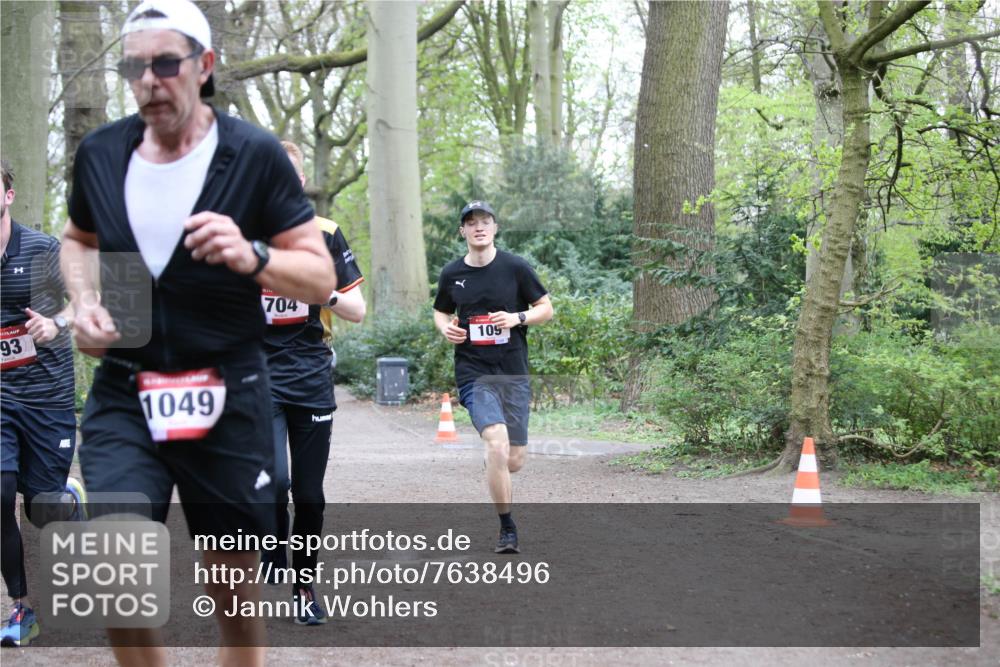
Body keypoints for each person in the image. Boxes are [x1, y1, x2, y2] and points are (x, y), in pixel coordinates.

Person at [58, 2, 336, 665]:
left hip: (227, 395)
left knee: (234, 604)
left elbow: (322, 277)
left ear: (204, 66)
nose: (149, 79)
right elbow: (76, 240)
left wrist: (254, 256)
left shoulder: (255, 155)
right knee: (118, 578)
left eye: (165, 63)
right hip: (127, 391)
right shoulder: (101, 152)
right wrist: (84, 300)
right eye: (134, 66)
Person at [260, 140, 365, 625]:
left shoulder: (325, 234)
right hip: (256, 376)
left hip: (309, 375)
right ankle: (271, 544)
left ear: (298, 183)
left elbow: (358, 311)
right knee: (273, 482)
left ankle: (304, 585)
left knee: (309, 494)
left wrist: (319, 291)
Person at [432, 201, 553, 554]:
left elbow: (546, 308)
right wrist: (446, 330)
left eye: (485, 222)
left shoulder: (515, 267)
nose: (478, 228)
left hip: (512, 371)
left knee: (513, 459)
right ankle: (507, 528)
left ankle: (495, 461)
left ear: (495, 227)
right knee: (497, 442)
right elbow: (441, 312)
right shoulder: (452, 274)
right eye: (471, 223)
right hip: (474, 372)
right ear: (463, 232)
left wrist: (518, 318)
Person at [0, 159, 85, 647]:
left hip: (46, 397)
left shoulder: (41, 249)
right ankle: (20, 608)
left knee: (42, 508)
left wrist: (56, 325)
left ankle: (68, 500)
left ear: (8, 196)